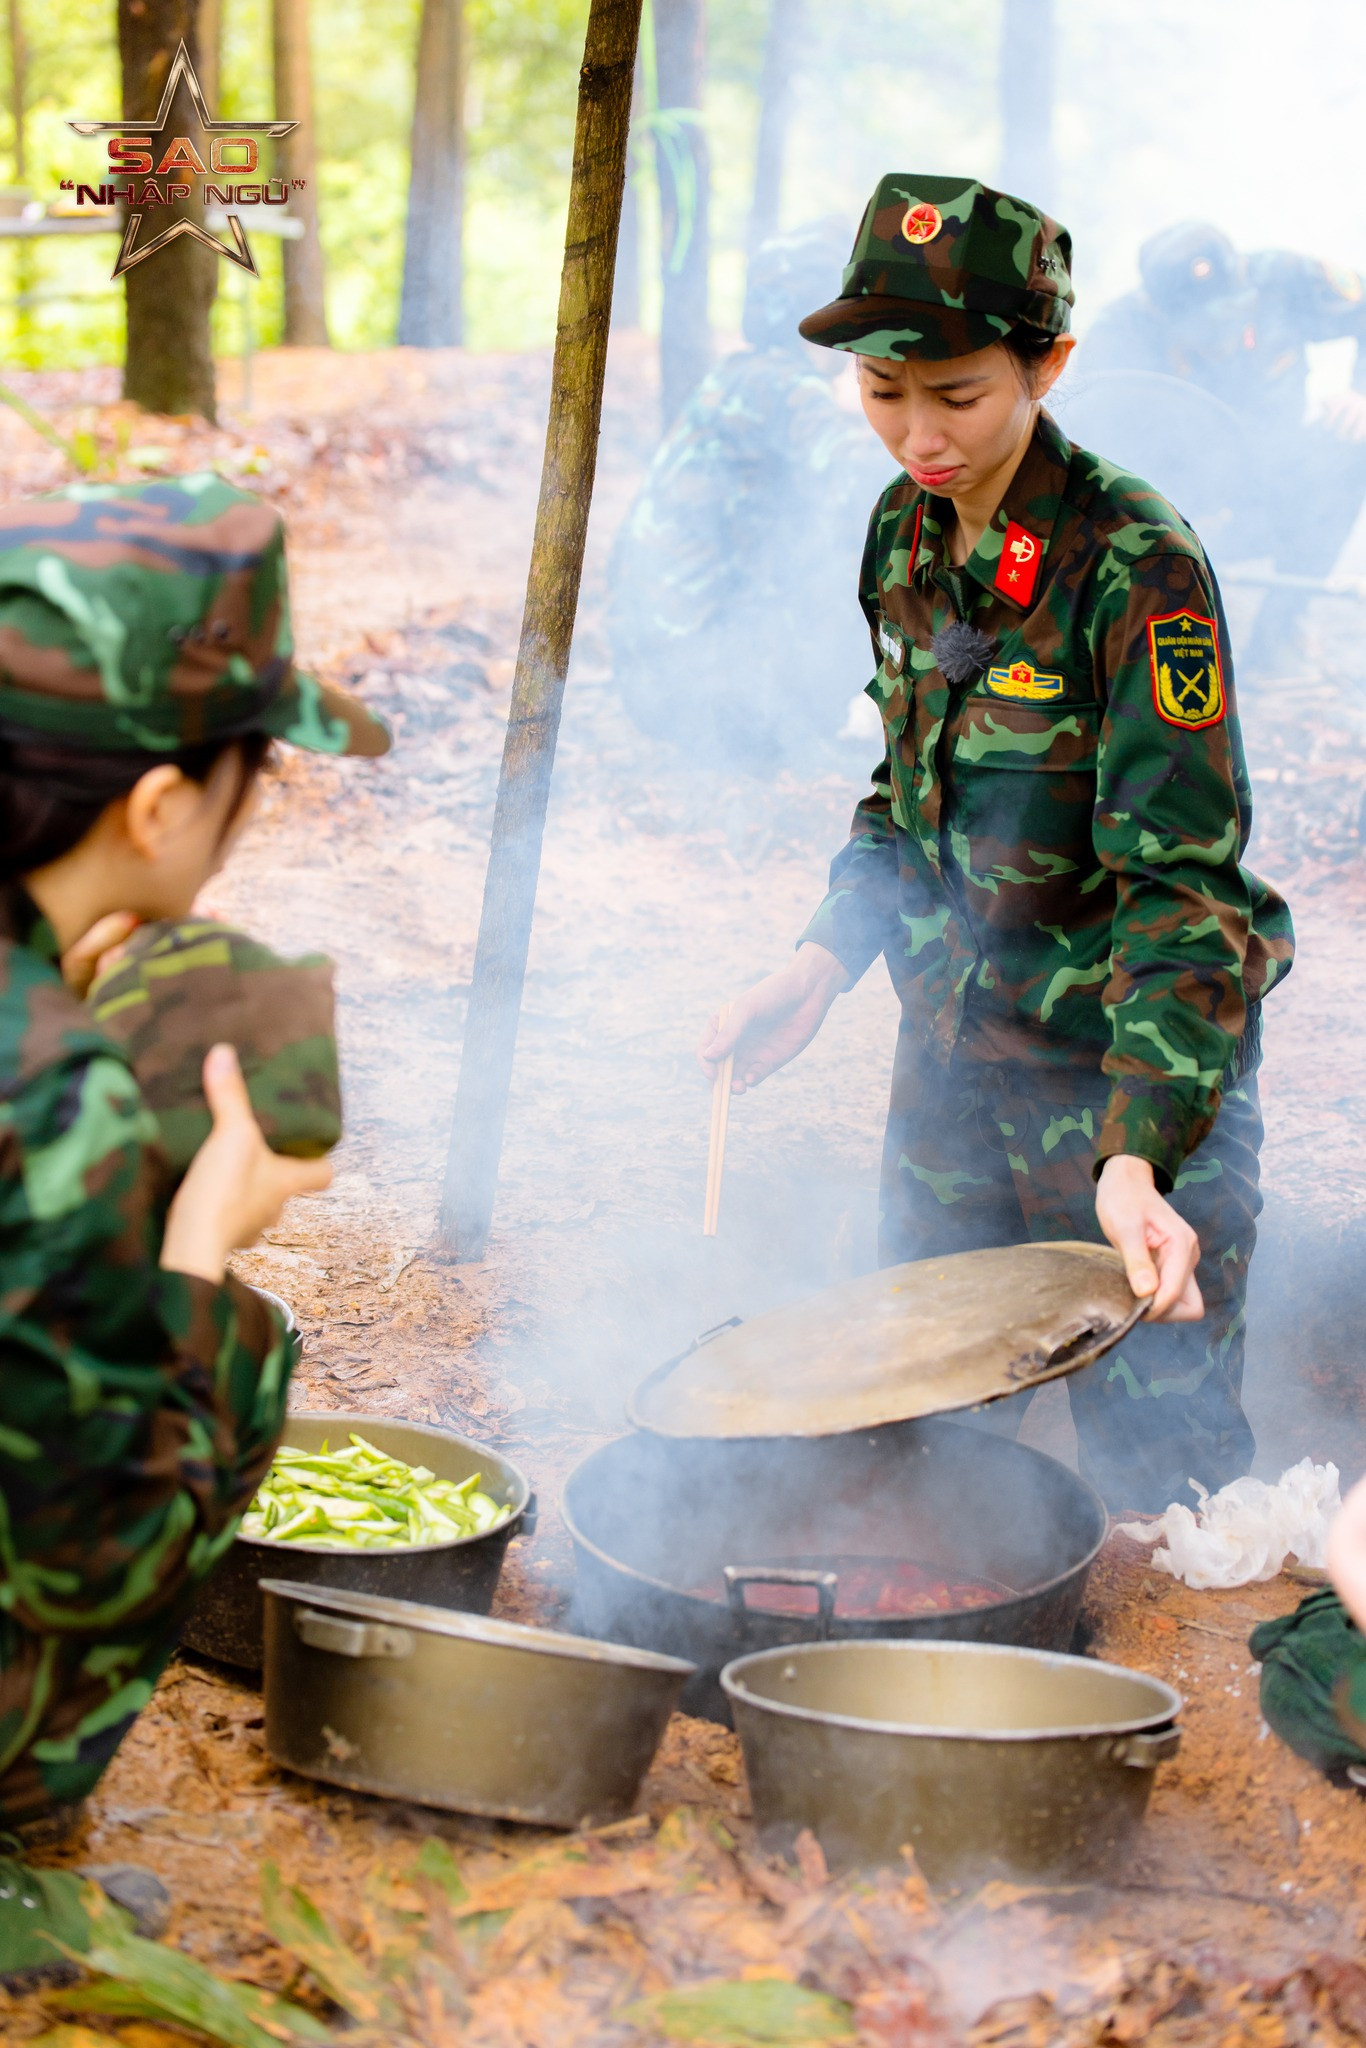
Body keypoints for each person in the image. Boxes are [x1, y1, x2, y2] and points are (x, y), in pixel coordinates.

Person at [697, 175, 1294, 1516]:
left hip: (1123, 1067)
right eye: (879, 392)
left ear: (1046, 364)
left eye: (956, 395)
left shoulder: (1132, 565)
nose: (916, 435)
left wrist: (1136, 1152)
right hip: (954, 1063)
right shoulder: (902, 532)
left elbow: (1184, 891)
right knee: (920, 1433)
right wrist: (814, 967)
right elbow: (902, 794)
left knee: (1166, 1477)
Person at [0, 474, 390, 1977]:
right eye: (256, 775)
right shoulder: (53, 1095)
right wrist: (197, 1253)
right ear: (161, 804)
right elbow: (99, 1555)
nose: (252, 806)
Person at [607, 218, 891, 768]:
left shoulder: (738, 376)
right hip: (700, 686)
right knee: (879, 548)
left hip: (655, 666)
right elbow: (863, 482)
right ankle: (804, 738)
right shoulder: (781, 387)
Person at [1079, 221, 1366, 672]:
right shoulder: (1122, 333)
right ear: (1159, 311)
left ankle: (1278, 637)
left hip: (1272, 477)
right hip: (1174, 506)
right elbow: (1087, 445)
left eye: (1231, 312)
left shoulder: (1285, 279)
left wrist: (1360, 392)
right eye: (1205, 323)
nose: (1224, 334)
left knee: (1351, 453)